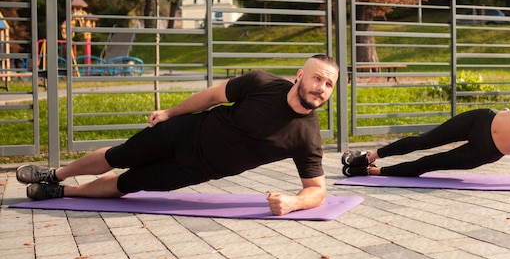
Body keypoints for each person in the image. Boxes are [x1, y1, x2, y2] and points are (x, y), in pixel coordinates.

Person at [16, 54, 339, 216]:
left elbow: (317, 190)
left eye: (329, 85)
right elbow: (213, 96)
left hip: (196, 169)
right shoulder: (263, 83)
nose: (321, 89)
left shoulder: (307, 137)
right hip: (185, 131)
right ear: (300, 75)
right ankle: (55, 174)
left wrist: (294, 203)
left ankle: (63, 194)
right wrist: (170, 113)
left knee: (129, 183)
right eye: (317, 79)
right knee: (121, 155)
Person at [341, 40, 510, 192]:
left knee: (428, 164)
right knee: (423, 140)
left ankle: (372, 171)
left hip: (484, 152)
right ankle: (368, 156)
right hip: (481, 120)